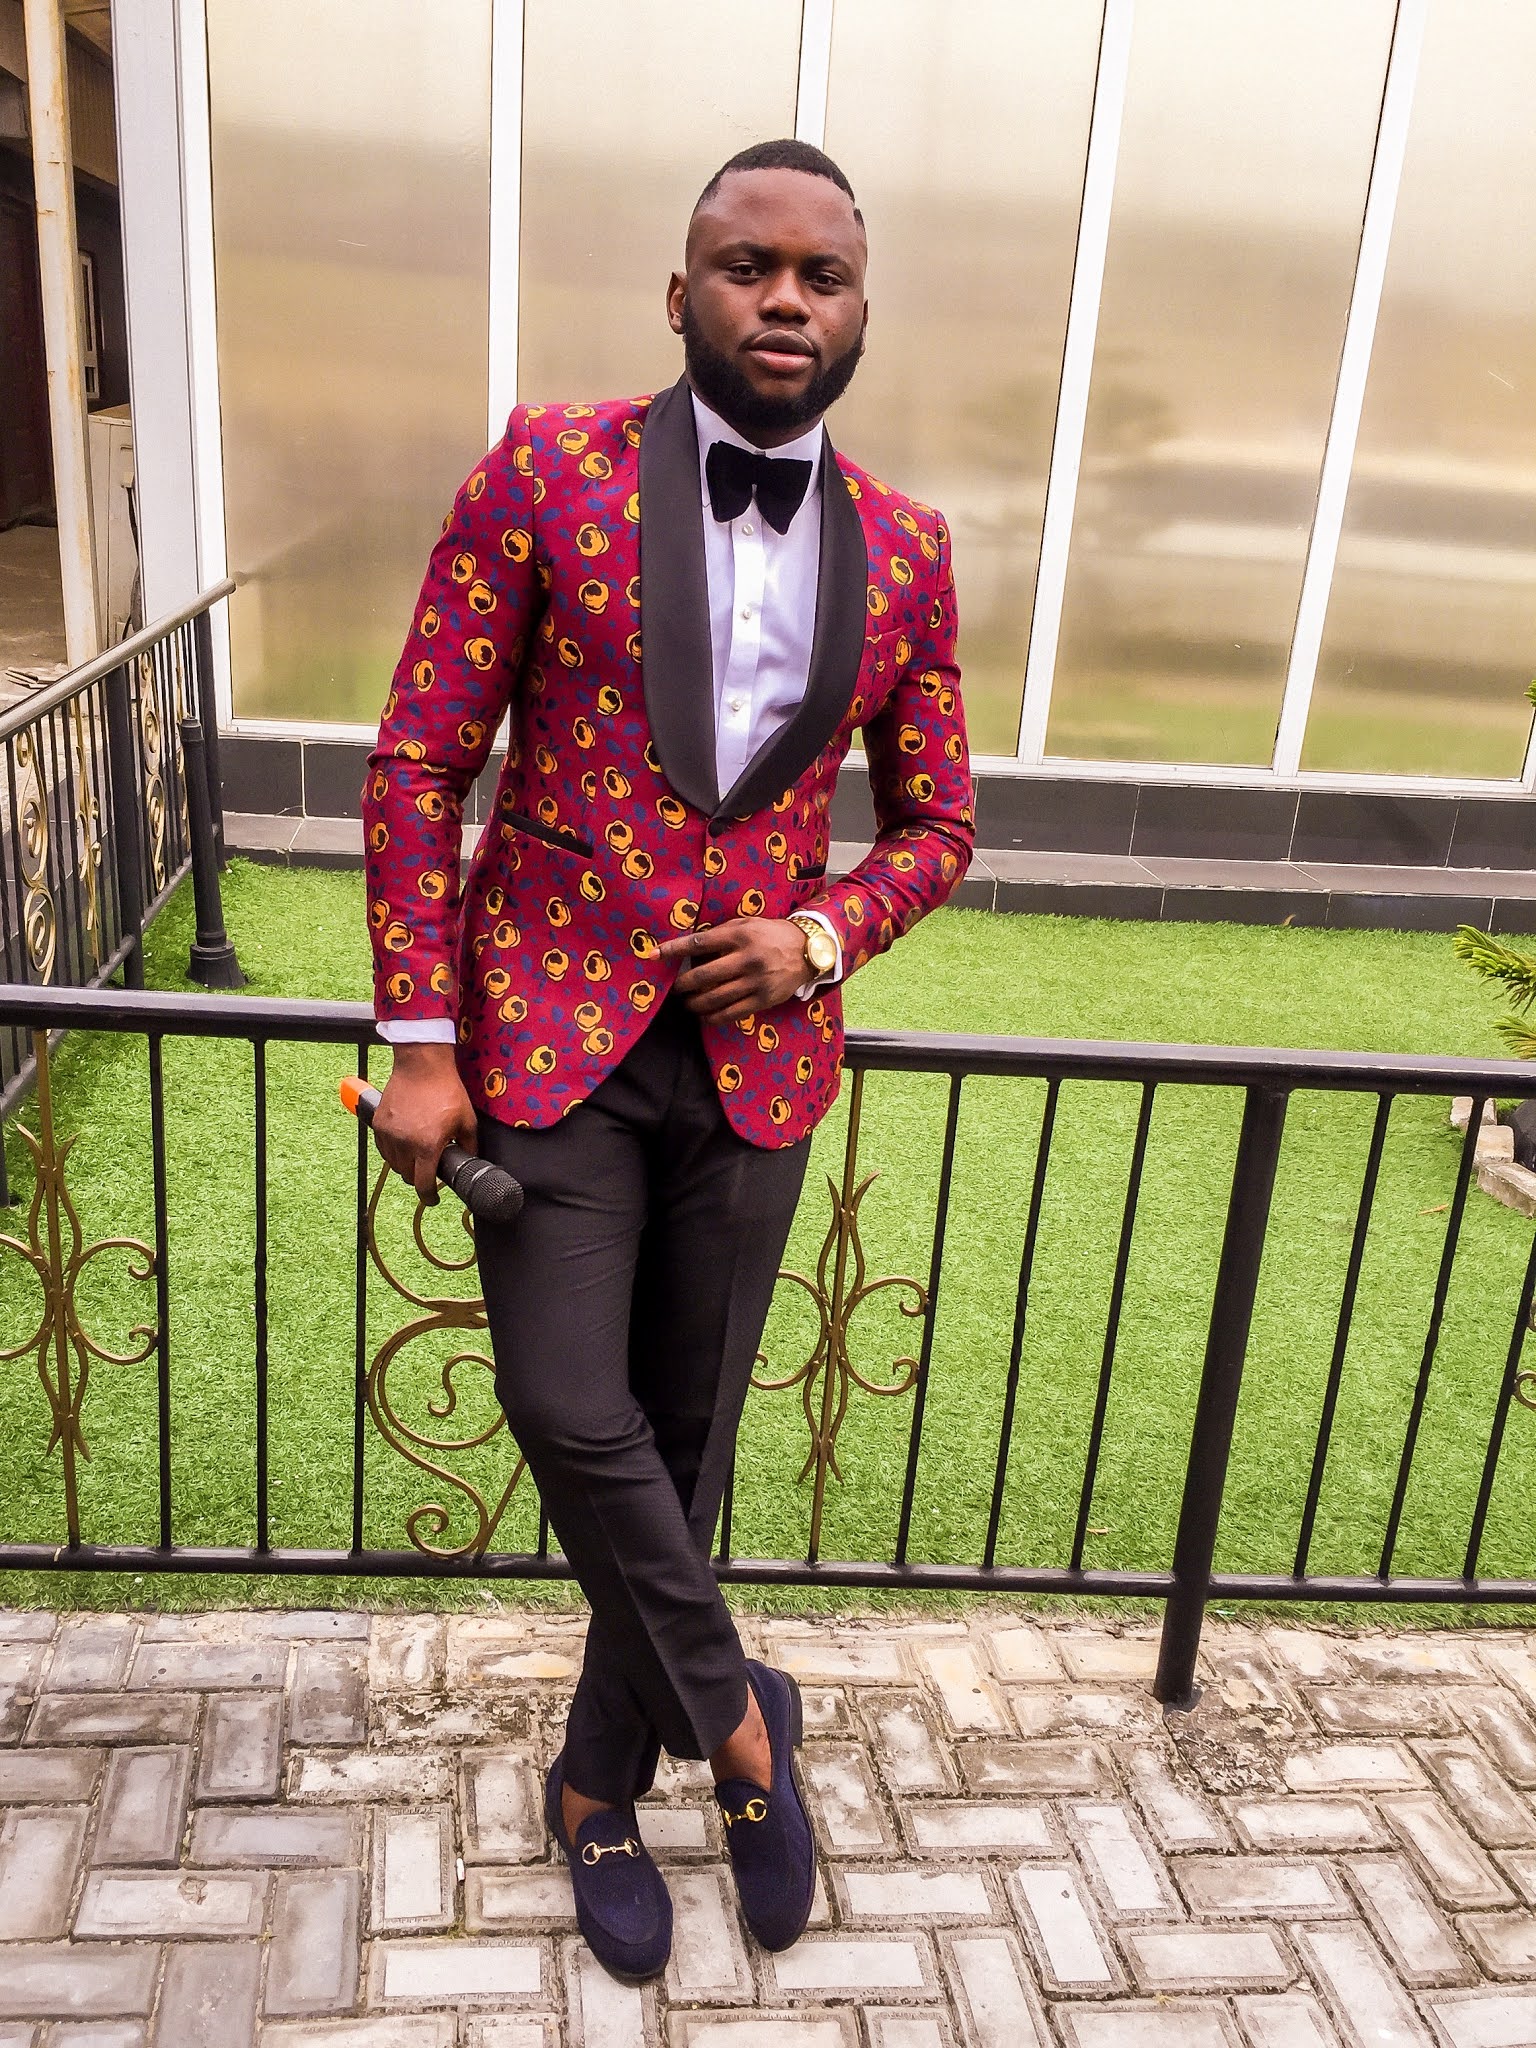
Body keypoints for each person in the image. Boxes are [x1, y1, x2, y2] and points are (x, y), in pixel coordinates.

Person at [362, 137, 973, 1982]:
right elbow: (420, 760)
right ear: (681, 291)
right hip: (548, 1039)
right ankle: (744, 1730)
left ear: (858, 310)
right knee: (569, 1403)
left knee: (684, 1443)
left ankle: (593, 1784)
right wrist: (416, 1037)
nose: (784, 299)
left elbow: (938, 825)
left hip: (753, 1066)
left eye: (821, 276)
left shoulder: (911, 547)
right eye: (746, 265)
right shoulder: (545, 468)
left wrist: (820, 937)